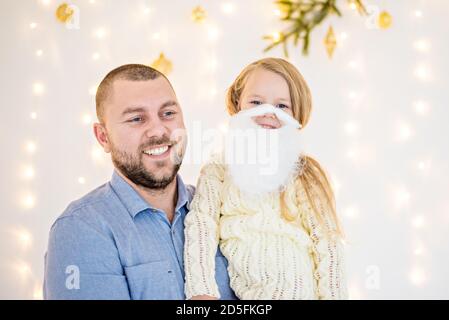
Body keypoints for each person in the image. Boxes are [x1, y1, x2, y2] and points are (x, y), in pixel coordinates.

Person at [44, 64, 236, 300]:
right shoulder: (80, 229)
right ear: (103, 137)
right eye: (136, 118)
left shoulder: (224, 209)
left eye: (168, 113)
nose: (158, 130)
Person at [184, 58, 348, 300]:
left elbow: (329, 246)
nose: (268, 113)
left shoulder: (304, 174)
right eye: (256, 102)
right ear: (238, 104)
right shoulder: (218, 170)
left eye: (282, 106)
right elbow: (200, 227)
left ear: (297, 114)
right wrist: (201, 291)